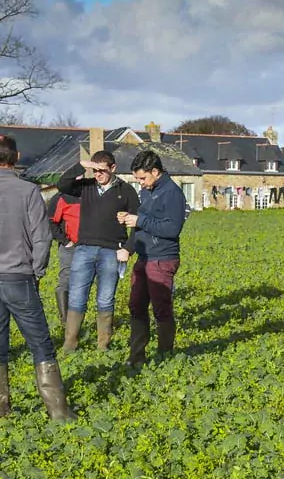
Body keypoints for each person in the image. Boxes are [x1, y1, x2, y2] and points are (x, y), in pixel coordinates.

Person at [0, 134, 74, 420]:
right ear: (16, 158)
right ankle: (59, 412)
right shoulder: (29, 192)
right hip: (19, 276)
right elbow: (41, 238)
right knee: (40, 343)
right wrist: (37, 271)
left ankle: (2, 413)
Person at [57, 151, 139, 352]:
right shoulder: (86, 187)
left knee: (105, 298)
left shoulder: (126, 191)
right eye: (95, 171)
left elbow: (139, 223)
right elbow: (62, 185)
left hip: (111, 251)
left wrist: (128, 248)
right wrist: (80, 166)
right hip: (84, 249)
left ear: (113, 168)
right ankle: (70, 343)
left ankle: (103, 345)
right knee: (76, 296)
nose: (98, 175)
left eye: (102, 170)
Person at [117, 150, 186, 366]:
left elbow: (172, 228)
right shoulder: (148, 191)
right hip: (144, 256)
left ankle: (164, 357)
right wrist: (129, 223)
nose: (140, 183)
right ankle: (136, 357)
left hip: (162, 258)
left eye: (143, 178)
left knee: (161, 309)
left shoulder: (172, 193)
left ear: (155, 171)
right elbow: (144, 220)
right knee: (136, 306)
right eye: (137, 179)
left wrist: (140, 221)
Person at [46, 189, 81, 329]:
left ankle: (78, 318)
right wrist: (65, 241)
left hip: (90, 246)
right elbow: (50, 223)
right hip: (70, 246)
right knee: (65, 280)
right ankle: (65, 321)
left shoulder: (90, 193)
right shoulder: (59, 198)